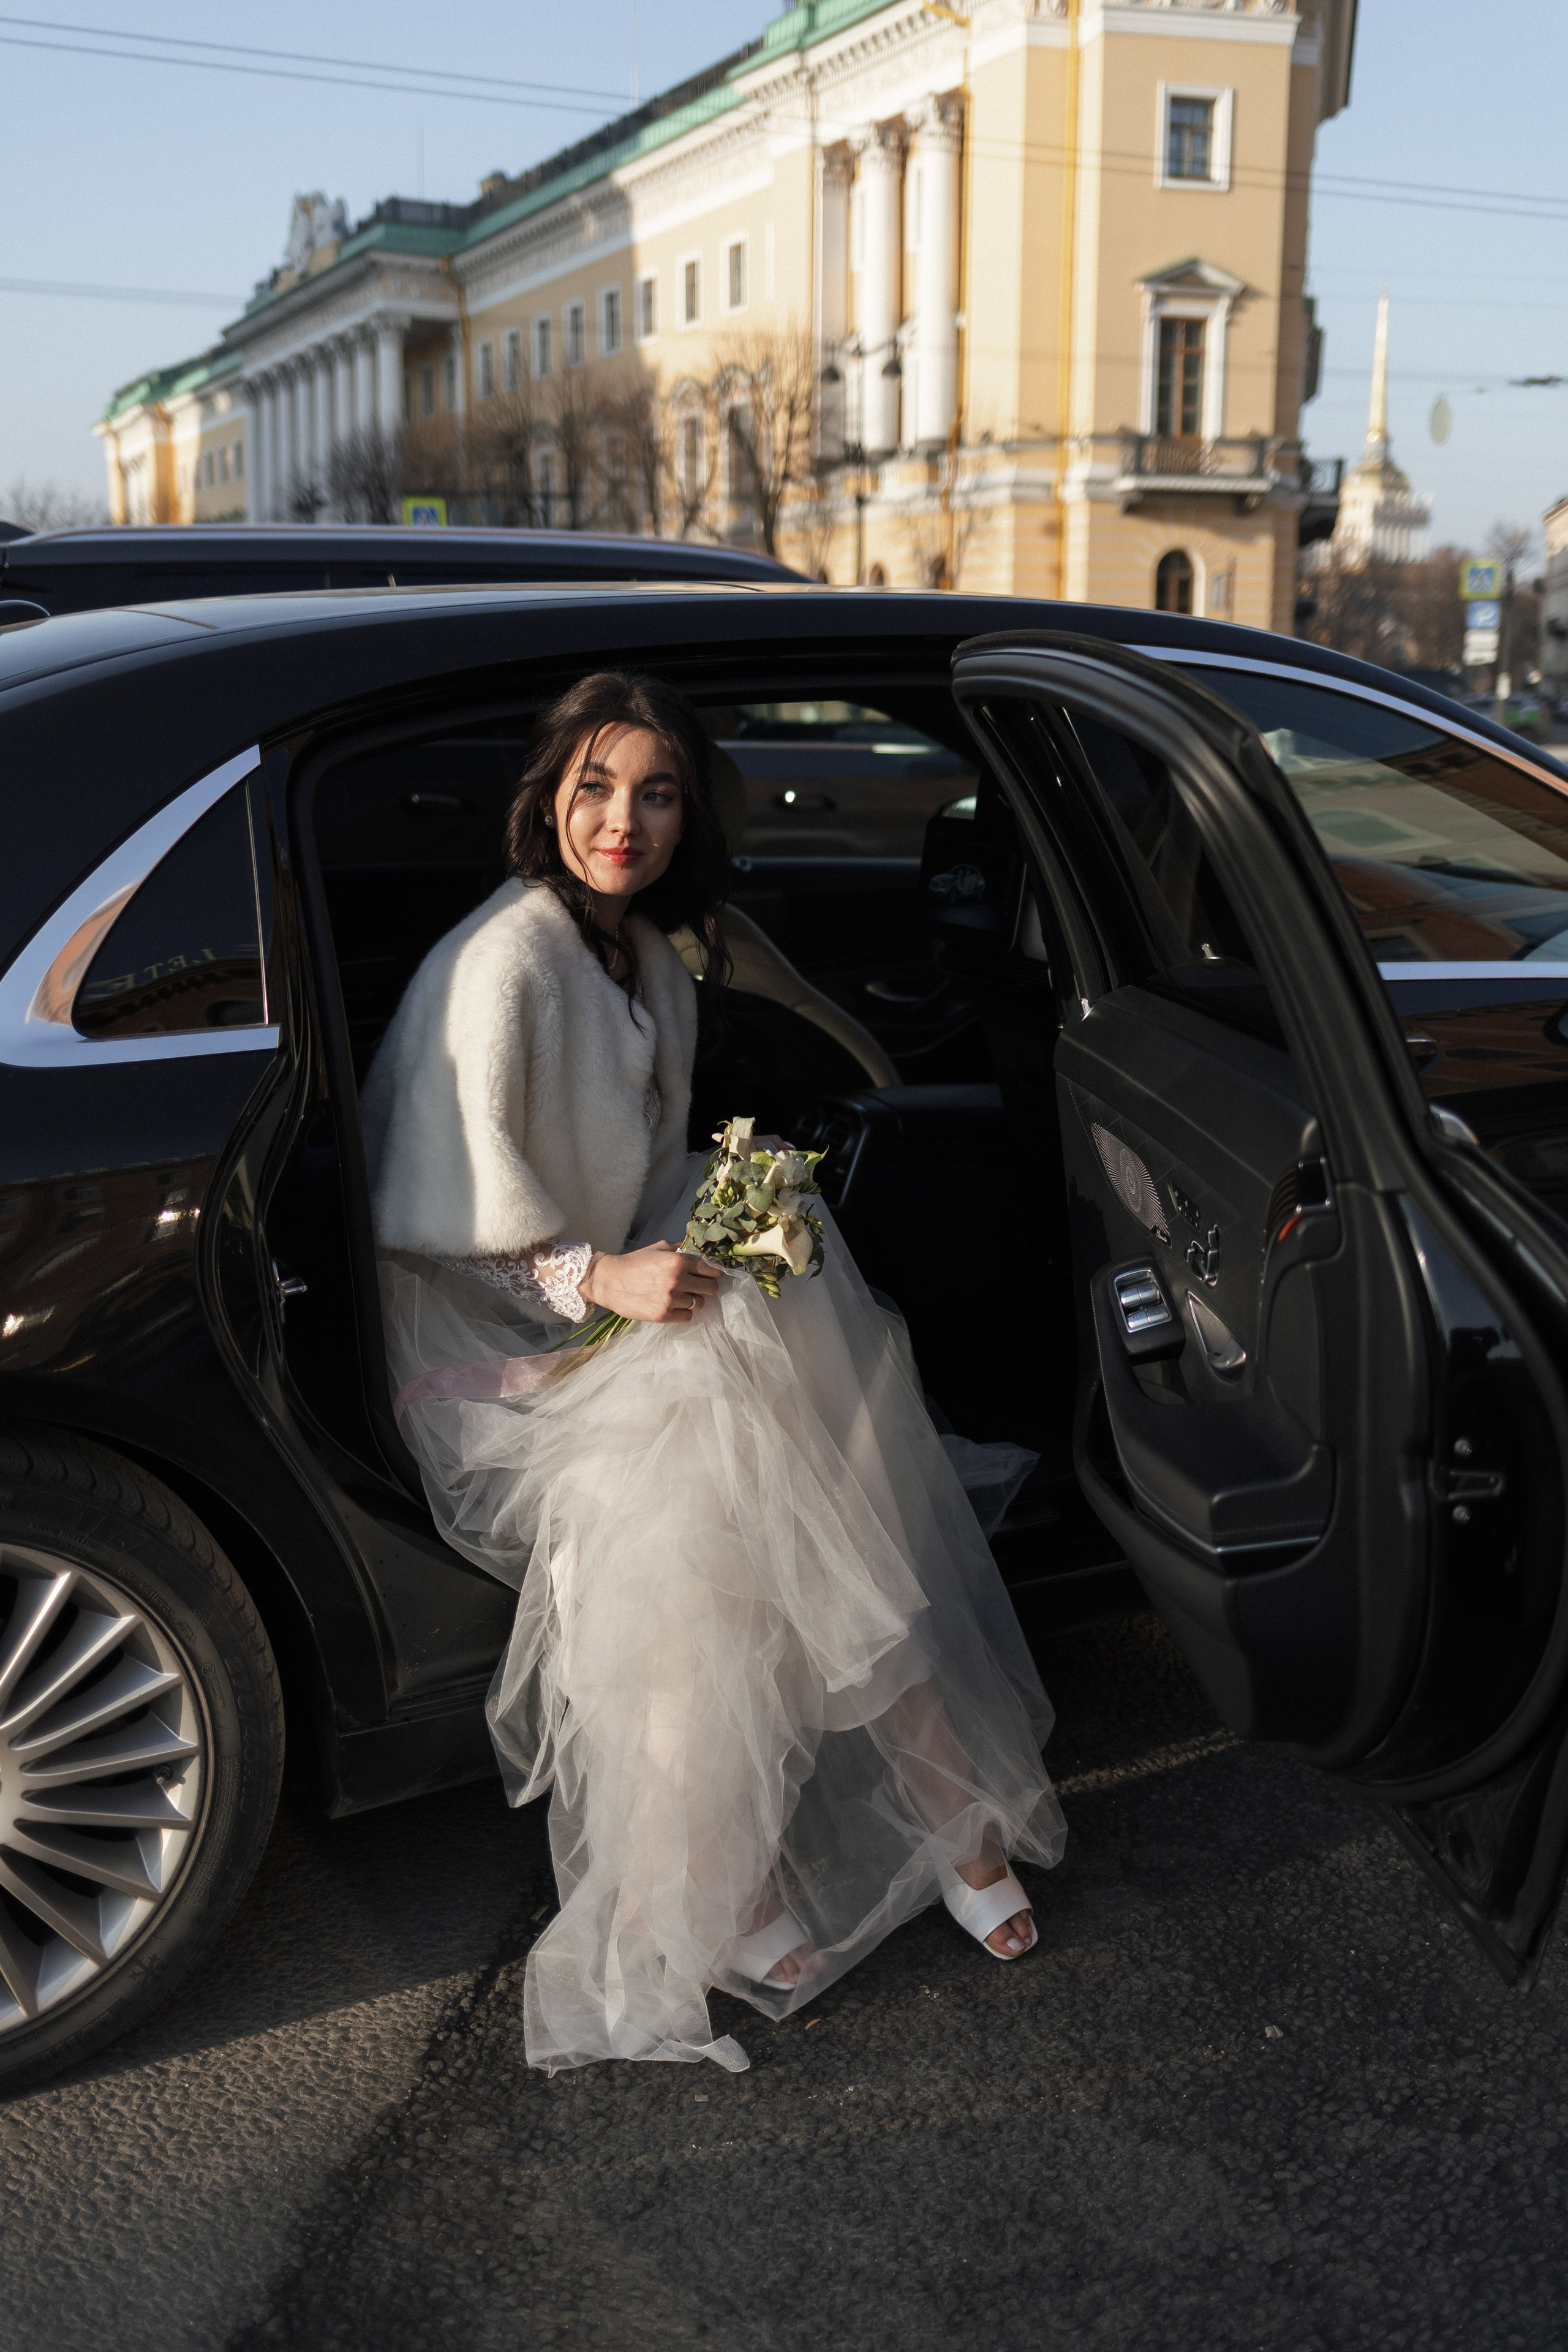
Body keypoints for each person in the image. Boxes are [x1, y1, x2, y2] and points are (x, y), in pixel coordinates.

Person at [362, 671, 1067, 2074]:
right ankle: (906, 1830)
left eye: (658, 790)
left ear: (692, 809)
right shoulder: (501, 964)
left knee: (792, 1409)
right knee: (738, 1466)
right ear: (546, 797)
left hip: (610, 1285)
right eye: (595, 788)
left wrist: (744, 1214)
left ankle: (851, 1853)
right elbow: (432, 1214)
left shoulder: (635, 952)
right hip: (494, 1344)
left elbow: (647, 1163)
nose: (623, 820)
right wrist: (590, 1282)